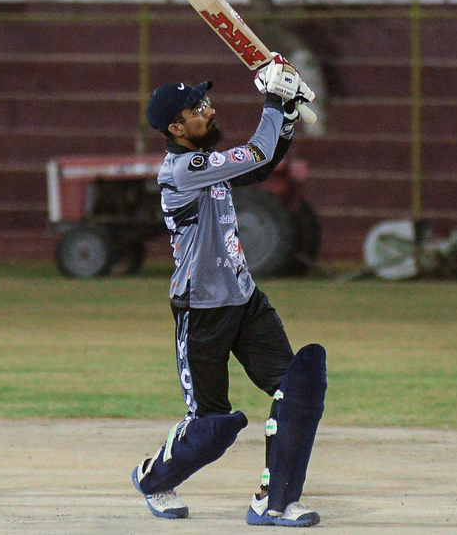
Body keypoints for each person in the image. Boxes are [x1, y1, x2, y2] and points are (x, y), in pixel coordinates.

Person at [131, 55, 327, 527]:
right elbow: (257, 154)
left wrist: (286, 114)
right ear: (177, 128)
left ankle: (275, 501)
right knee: (212, 426)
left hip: (244, 298)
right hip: (202, 310)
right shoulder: (183, 169)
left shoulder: (205, 165)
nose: (211, 111)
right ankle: (154, 479)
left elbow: (261, 166)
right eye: (199, 109)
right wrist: (274, 101)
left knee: (298, 389)